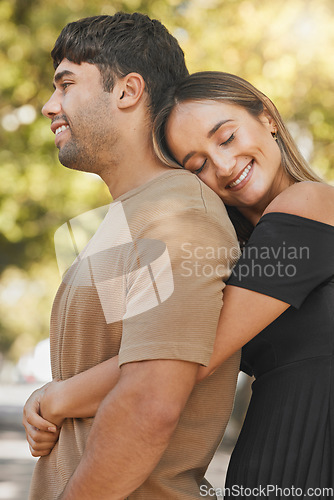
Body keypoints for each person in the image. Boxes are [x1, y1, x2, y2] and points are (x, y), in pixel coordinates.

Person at [23, 15, 241, 500]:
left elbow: (150, 405)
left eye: (66, 84)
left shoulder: (181, 217)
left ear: (127, 91)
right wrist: (50, 399)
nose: (48, 106)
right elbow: (128, 366)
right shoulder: (130, 215)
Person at [153, 71, 334, 496]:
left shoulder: (311, 203)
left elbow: (193, 356)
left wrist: (62, 397)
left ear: (267, 117)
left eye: (227, 137)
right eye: (197, 165)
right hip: (269, 470)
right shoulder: (230, 256)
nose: (224, 165)